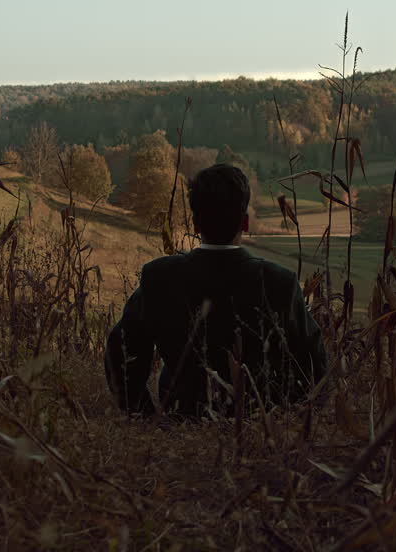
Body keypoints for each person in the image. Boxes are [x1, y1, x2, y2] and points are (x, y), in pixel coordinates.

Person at [104, 163, 327, 416]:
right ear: (244, 223)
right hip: (258, 420)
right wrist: (288, 415)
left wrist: (142, 414)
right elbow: (314, 366)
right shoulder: (280, 283)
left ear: (195, 224)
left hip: (180, 419)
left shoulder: (158, 277)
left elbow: (119, 354)